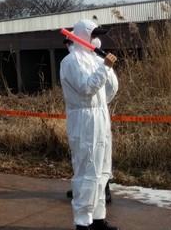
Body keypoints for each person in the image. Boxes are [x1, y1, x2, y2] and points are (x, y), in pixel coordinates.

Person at [60, 20, 119, 230]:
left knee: (102, 171)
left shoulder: (95, 59)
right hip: (83, 120)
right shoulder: (70, 61)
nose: (96, 39)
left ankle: (98, 219)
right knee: (86, 172)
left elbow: (109, 90)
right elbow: (86, 89)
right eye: (93, 34)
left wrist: (107, 69)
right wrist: (105, 68)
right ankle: (83, 222)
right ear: (83, 36)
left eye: (98, 35)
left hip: (101, 116)